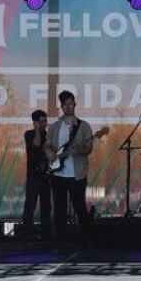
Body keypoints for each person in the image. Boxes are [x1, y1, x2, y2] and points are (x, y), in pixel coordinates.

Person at [44, 91, 94, 251]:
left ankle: (86, 239)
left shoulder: (84, 126)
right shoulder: (55, 126)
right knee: (59, 211)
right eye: (65, 104)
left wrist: (78, 151)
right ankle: (60, 242)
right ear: (62, 106)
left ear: (75, 104)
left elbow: (89, 147)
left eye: (70, 103)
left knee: (80, 208)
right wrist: (50, 152)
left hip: (77, 175)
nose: (68, 107)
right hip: (58, 175)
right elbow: (48, 144)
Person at [22, 110, 51, 239]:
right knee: (30, 204)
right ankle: (28, 231)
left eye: (45, 121)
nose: (45, 123)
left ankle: (46, 231)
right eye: (42, 121)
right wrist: (38, 129)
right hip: (33, 176)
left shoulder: (48, 135)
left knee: (46, 205)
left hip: (45, 176)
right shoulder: (29, 134)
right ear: (35, 122)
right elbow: (36, 145)